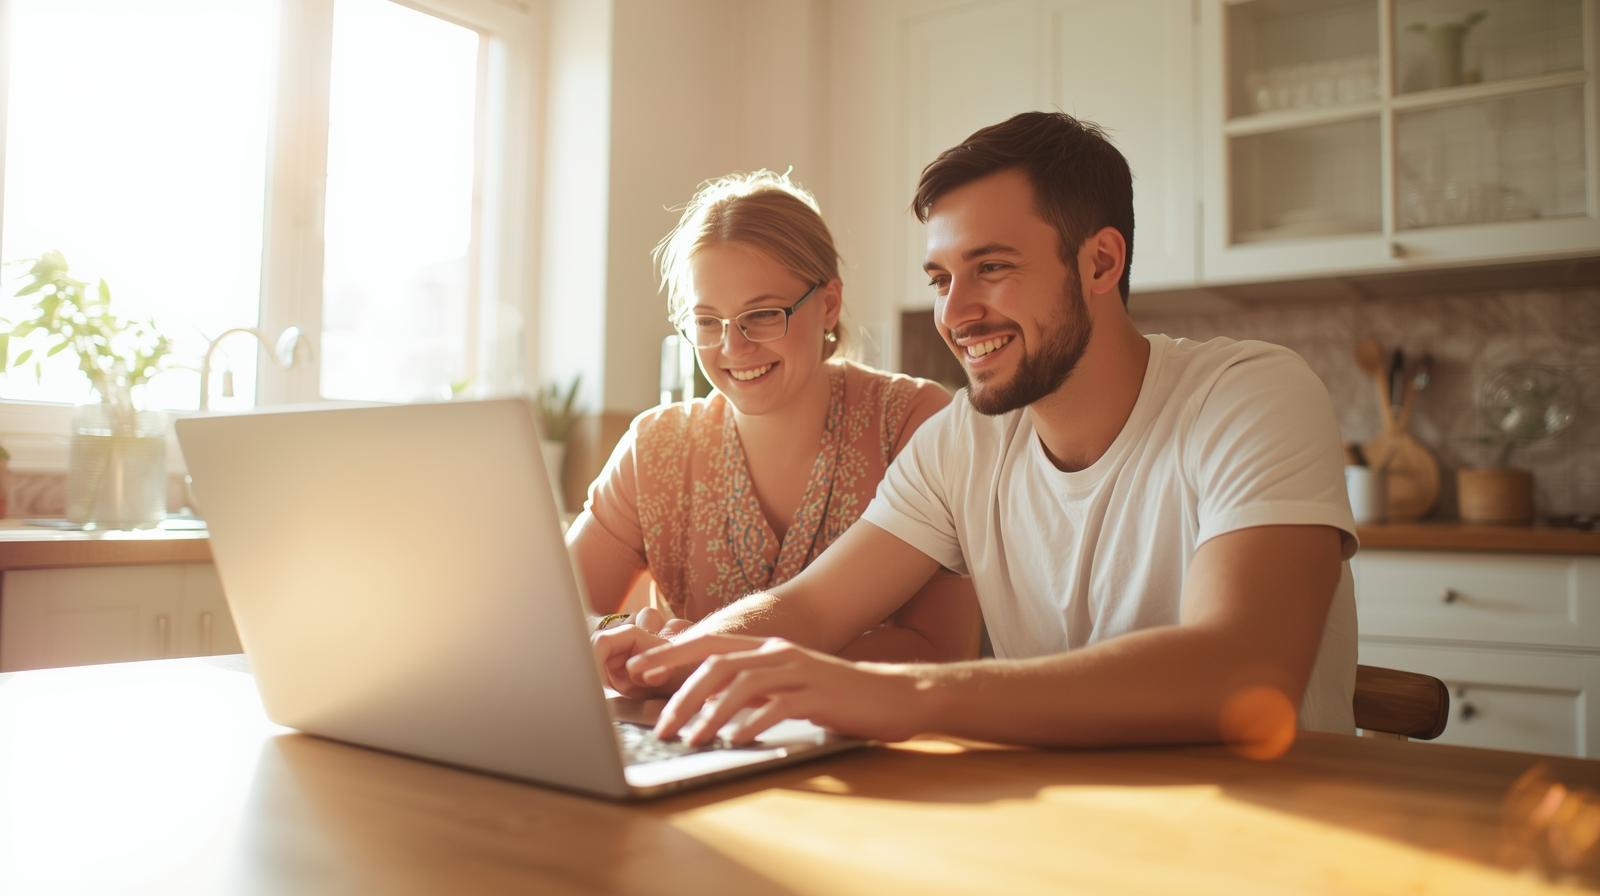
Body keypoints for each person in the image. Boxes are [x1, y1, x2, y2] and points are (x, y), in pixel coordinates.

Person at [594, 112, 1359, 752]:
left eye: (991, 268)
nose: (955, 314)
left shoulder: (1249, 396)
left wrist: (901, 695)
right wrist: (684, 656)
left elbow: (1243, 672)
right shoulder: (964, 442)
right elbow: (808, 610)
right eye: (941, 279)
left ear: (1100, 262)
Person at [566, 170, 980, 669]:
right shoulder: (655, 448)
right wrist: (617, 633)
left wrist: (700, 655)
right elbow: (554, 616)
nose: (733, 347)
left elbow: (941, 650)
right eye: (706, 322)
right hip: (692, 718)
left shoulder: (912, 422)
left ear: (829, 305)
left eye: (762, 315)